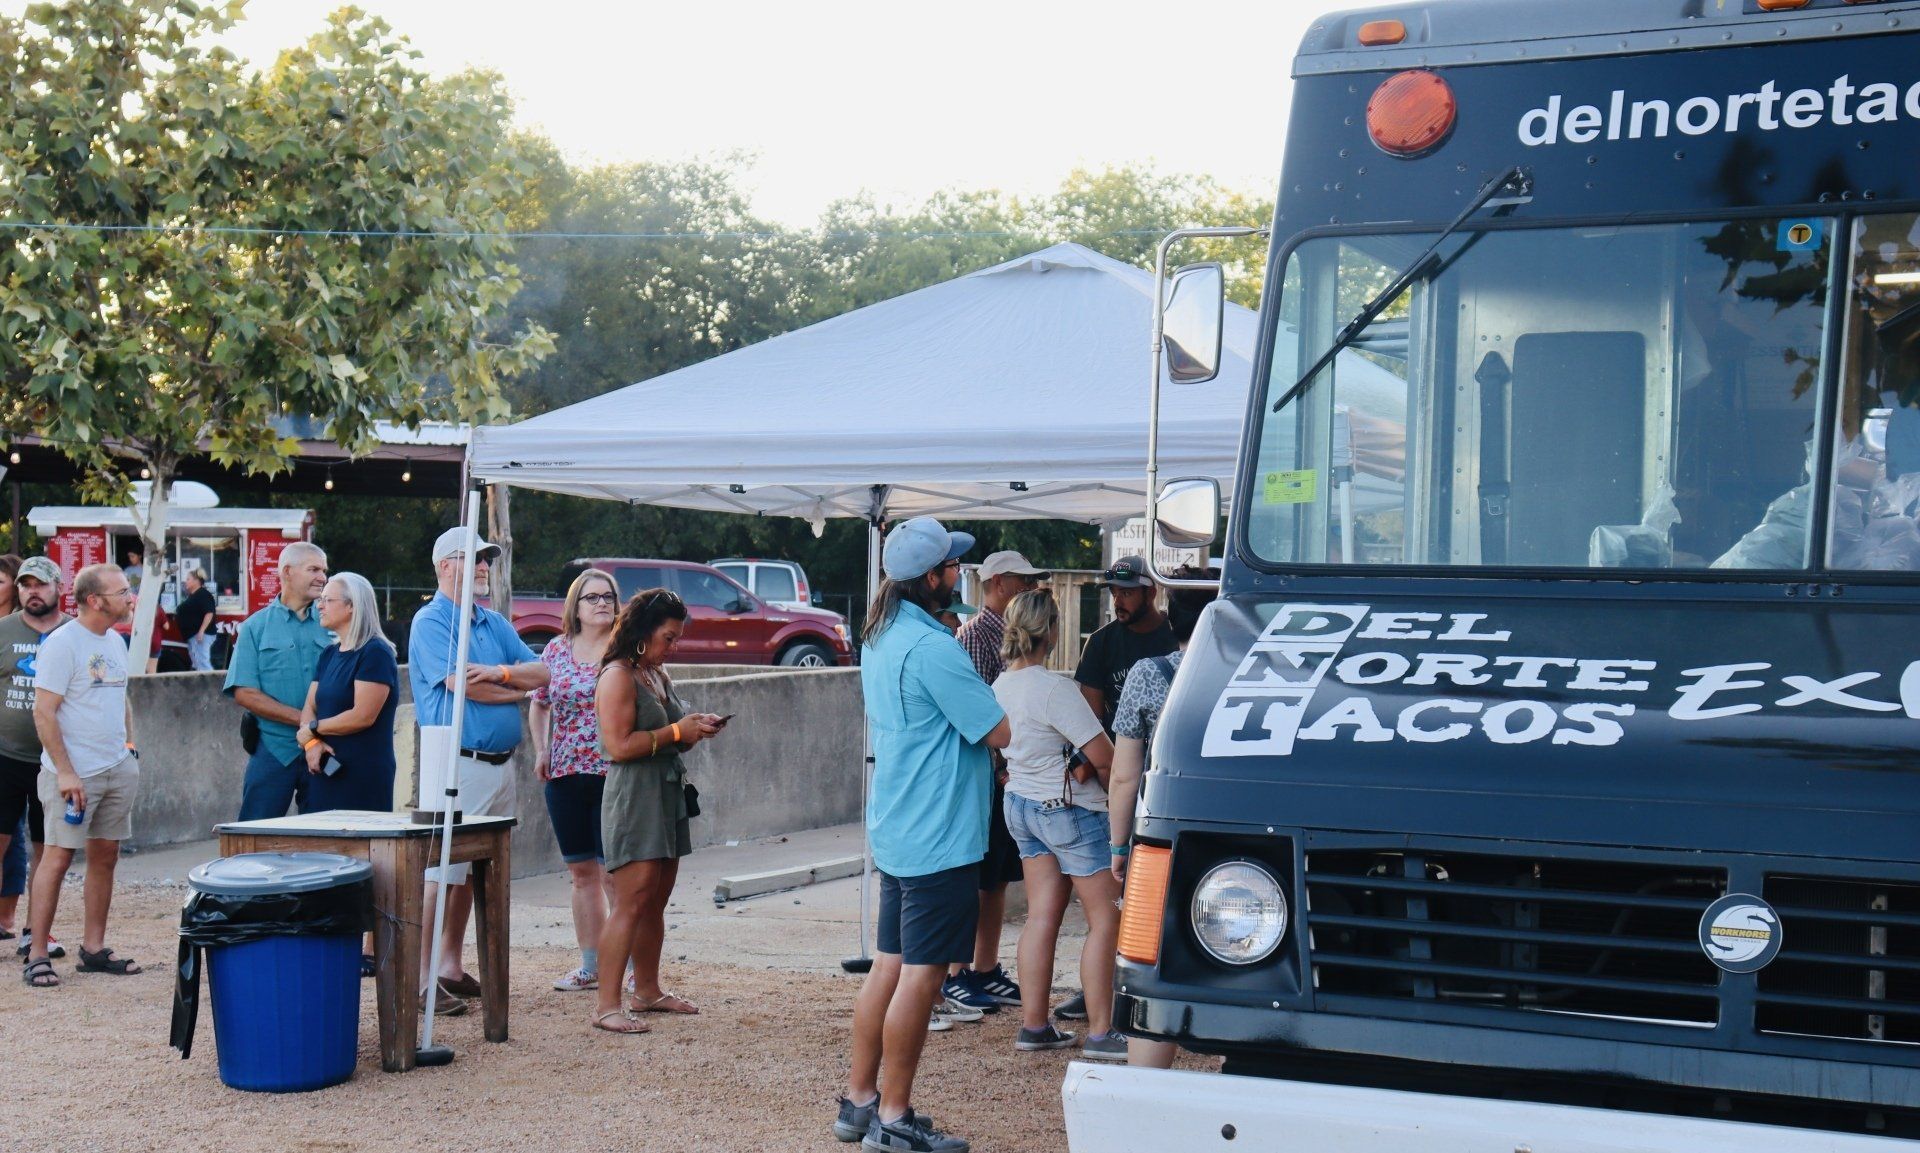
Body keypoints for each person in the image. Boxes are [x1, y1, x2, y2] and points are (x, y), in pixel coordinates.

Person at [833, 516, 1010, 1153]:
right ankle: (896, 1116)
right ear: (933, 577)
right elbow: (997, 730)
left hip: (901, 824)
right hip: (940, 831)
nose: (959, 573)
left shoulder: (879, 633)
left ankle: (860, 1102)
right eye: (952, 566)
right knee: (923, 978)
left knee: (889, 965)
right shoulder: (936, 647)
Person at [409, 526, 548, 1015]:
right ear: (446, 566)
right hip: (456, 762)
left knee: (469, 873)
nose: (485, 566)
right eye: (474, 559)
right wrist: (516, 688)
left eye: (487, 559)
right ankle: (419, 979)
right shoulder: (431, 622)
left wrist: (501, 675)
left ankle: (449, 965)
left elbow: (543, 670)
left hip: (497, 765)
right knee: (440, 872)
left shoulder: (491, 623)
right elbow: (463, 687)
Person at [992, 590, 1124, 1062]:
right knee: (1106, 919)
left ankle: (1034, 1024)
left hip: (1022, 806)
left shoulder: (1000, 685)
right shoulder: (1054, 688)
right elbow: (1106, 755)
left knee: (1041, 915)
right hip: (1068, 811)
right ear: (1051, 630)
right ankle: (1103, 1032)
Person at [589, 588, 726, 1034]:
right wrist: (674, 732)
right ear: (644, 633)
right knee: (630, 901)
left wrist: (694, 730)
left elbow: (670, 731)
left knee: (656, 900)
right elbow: (617, 745)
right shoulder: (617, 676)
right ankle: (607, 1005)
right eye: (669, 637)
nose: (674, 646)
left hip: (666, 790)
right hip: (635, 796)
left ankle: (646, 990)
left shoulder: (654, 673)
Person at [1108, 574, 1218, 1068]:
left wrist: (1117, 847)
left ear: (1171, 619)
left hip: (1163, 837)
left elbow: (1124, 776)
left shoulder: (1147, 675)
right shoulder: (1259, 678)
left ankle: (1147, 1082)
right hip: (1233, 838)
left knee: (1154, 960)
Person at [942, 550, 1049, 1016]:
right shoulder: (973, 638)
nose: (1029, 590)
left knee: (996, 878)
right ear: (1001, 583)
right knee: (973, 878)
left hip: (1006, 777)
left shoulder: (999, 635)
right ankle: (954, 973)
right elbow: (975, 717)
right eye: (1024, 582)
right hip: (988, 777)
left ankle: (983, 968)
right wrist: (1002, 763)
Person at [23, 563, 140, 987]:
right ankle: (36, 953)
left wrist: (129, 748)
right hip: (72, 775)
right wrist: (67, 773)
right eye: (123, 591)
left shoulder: (115, 640)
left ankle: (93, 949)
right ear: (95, 600)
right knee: (57, 856)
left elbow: (121, 697)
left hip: (115, 768)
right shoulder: (62, 644)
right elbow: (44, 711)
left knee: (105, 855)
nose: (131, 597)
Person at [529, 568, 620, 993]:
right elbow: (540, 702)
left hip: (615, 776)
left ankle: (631, 967)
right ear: (575, 607)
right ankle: (590, 965)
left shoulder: (626, 650)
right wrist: (542, 749)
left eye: (608, 597)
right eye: (592, 598)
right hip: (565, 774)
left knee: (615, 875)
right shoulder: (555, 650)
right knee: (582, 872)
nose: (601, 603)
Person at [225, 541, 330, 820]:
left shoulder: (333, 622)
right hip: (274, 750)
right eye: (314, 569)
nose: (323, 577)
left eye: (324, 570)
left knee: (328, 842)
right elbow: (244, 693)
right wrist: (305, 721)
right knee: (254, 839)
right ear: (287, 572)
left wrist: (319, 729)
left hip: (326, 748)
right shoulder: (255, 627)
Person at [0, 557, 64, 957]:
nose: (31, 592)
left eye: (40, 584)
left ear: (59, 587)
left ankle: (35, 932)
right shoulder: (3, 631)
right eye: (25, 585)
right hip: (5, 755)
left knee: (48, 848)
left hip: (56, 761)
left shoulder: (74, 633)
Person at [298, 574, 399, 813]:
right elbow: (309, 707)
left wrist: (312, 730)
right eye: (319, 600)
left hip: (361, 776)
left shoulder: (375, 653)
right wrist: (312, 744)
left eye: (327, 600)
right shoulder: (329, 654)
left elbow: (363, 716)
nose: (319, 606)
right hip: (323, 768)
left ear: (352, 605)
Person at [1074, 556, 1177, 733]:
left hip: (1169, 747)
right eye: (1114, 593)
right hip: (1118, 754)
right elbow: (1091, 725)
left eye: (1126, 593)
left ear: (1150, 593)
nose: (1117, 602)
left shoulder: (1178, 633)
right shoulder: (1099, 643)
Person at [175, 566, 218, 672]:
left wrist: (201, 631)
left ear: (196, 581)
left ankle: (211, 686)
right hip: (192, 635)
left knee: (203, 663)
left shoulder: (203, 595)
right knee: (197, 663)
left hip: (201, 636)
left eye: (188, 579)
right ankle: (201, 686)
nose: (186, 581)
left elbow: (209, 613)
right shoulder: (192, 596)